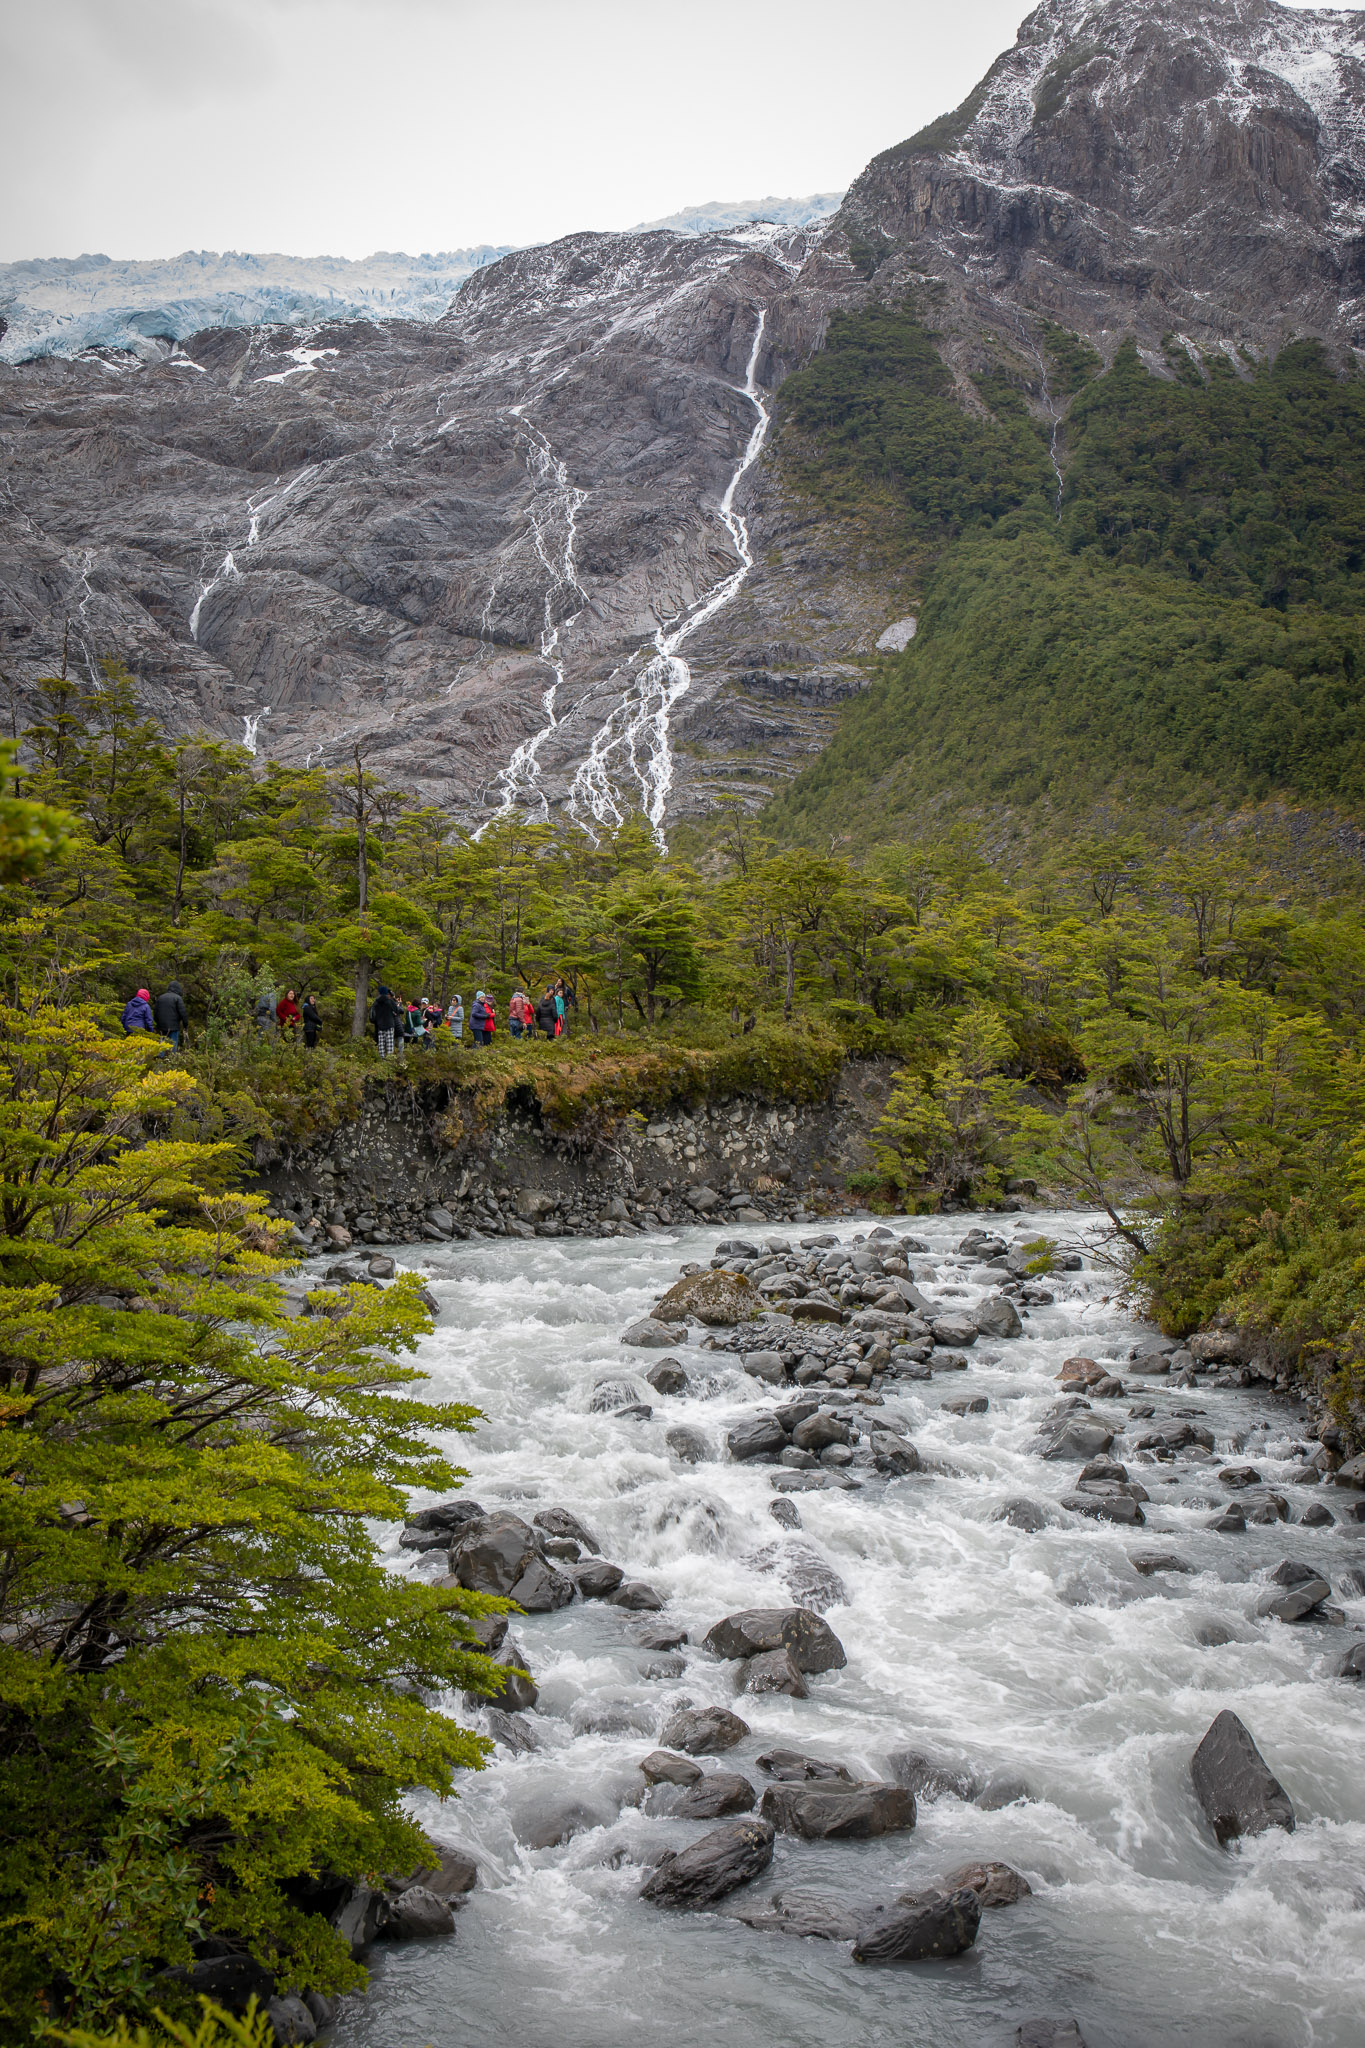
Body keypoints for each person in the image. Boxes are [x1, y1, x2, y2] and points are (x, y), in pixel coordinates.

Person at [153, 980, 188, 1049]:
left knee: (162, 1044)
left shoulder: (161, 998)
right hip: (174, 1026)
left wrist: (158, 1023)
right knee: (173, 1045)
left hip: (162, 1026)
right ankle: (172, 1058)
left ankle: (161, 1057)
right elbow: (183, 1013)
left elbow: (155, 1013)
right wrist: (185, 1025)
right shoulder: (178, 998)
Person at [371, 983, 400, 1057]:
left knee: (381, 1044)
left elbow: (373, 1014)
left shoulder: (376, 1002)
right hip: (390, 1024)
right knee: (389, 1043)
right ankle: (390, 1059)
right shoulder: (390, 1001)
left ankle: (382, 1058)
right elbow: (397, 1011)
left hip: (380, 1025)